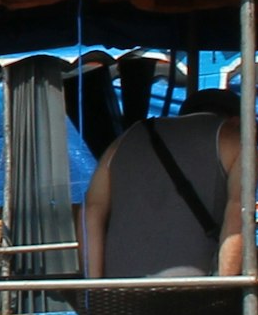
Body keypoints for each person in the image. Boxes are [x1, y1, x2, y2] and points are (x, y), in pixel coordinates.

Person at [81, 93, 245, 281]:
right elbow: (239, 213)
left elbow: (91, 210)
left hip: (121, 290)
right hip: (194, 289)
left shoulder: (125, 139)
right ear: (236, 121)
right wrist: (223, 288)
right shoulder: (236, 142)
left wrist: (93, 286)